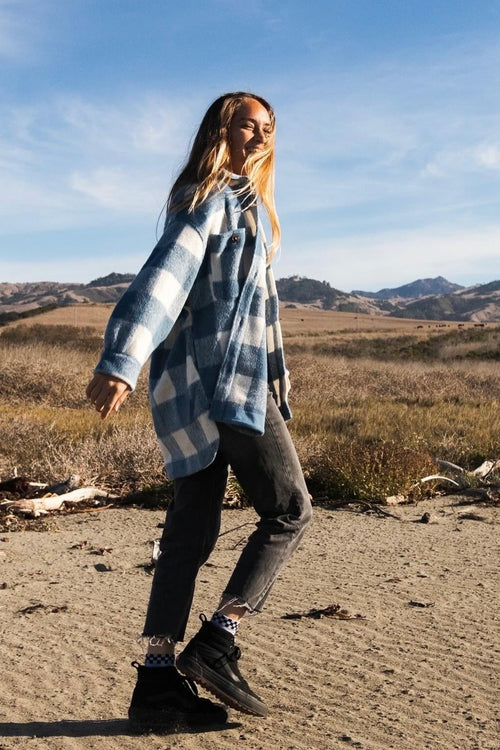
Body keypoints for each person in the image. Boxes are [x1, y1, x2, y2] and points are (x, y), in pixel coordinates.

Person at [86, 91, 312, 733]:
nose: (263, 133)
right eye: (249, 123)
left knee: (190, 532)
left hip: (194, 389)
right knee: (291, 509)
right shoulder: (211, 198)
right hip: (225, 384)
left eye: (270, 125)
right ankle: (218, 641)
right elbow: (163, 278)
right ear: (222, 128)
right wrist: (121, 358)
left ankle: (156, 684)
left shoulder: (244, 205)